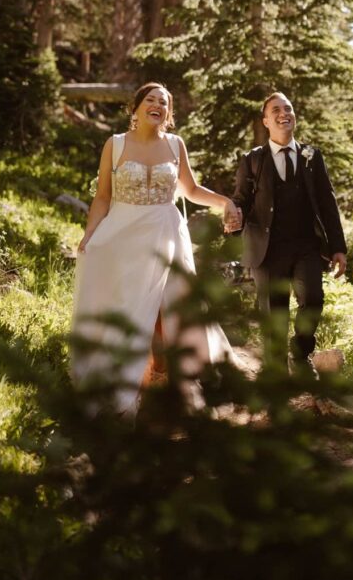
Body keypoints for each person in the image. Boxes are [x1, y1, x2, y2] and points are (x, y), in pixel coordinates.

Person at [70, 81, 243, 414]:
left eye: (164, 103)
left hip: (166, 235)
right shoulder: (115, 145)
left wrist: (225, 202)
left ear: (169, 113)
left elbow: (190, 190)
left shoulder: (176, 145)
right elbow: (103, 196)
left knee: (171, 308)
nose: (157, 105)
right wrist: (89, 235)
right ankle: (128, 386)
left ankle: (174, 382)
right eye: (150, 100)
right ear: (135, 108)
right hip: (122, 236)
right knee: (129, 308)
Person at [232, 92, 347, 376]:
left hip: (306, 246)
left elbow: (327, 202)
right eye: (276, 110)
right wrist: (232, 218)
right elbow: (241, 200)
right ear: (266, 120)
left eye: (288, 108)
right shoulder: (253, 160)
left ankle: (300, 352)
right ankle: (275, 373)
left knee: (313, 300)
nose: (284, 113)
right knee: (274, 313)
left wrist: (338, 247)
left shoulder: (311, 156)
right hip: (267, 249)